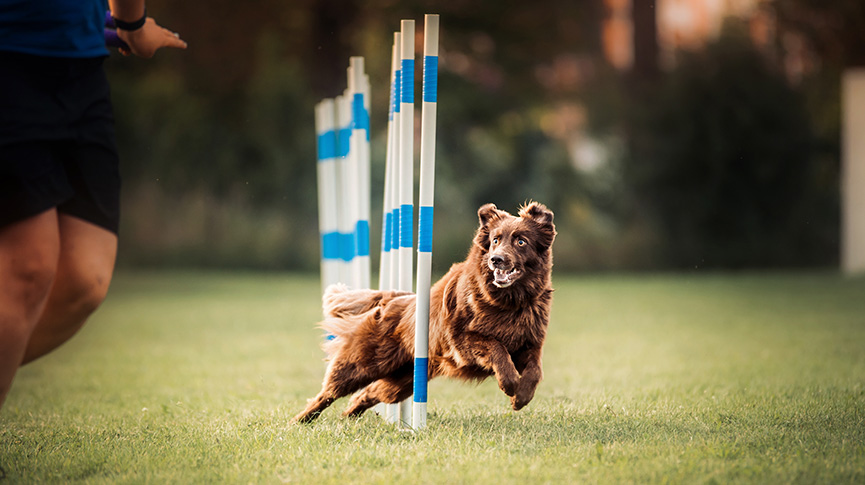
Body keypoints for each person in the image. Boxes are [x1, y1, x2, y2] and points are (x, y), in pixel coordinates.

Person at [0, 0, 187, 410]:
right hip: (11, 63)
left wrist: (125, 24)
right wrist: (130, 25)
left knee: (84, 281)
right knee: (30, 264)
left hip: (80, 71)